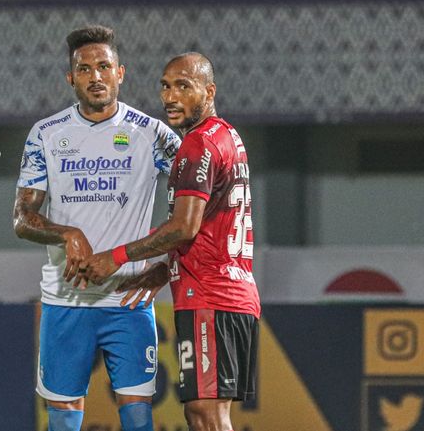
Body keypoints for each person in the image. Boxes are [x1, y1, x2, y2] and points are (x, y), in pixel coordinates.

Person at [13, 25, 180, 431]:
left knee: (139, 419)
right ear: (71, 78)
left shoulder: (152, 134)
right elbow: (22, 219)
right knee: (63, 419)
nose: (96, 76)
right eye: (84, 69)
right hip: (65, 300)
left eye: (104, 66)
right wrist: (67, 233)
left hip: (128, 301)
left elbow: (199, 207)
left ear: (121, 72)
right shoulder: (47, 135)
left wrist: (166, 267)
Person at [83, 52, 261, 431]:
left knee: (206, 414)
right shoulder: (226, 135)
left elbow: (183, 227)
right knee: (209, 413)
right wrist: (165, 269)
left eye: (184, 86)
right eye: (165, 86)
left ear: (209, 91)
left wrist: (116, 256)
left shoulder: (197, 144)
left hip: (210, 298)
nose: (171, 96)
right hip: (232, 292)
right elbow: (208, 225)